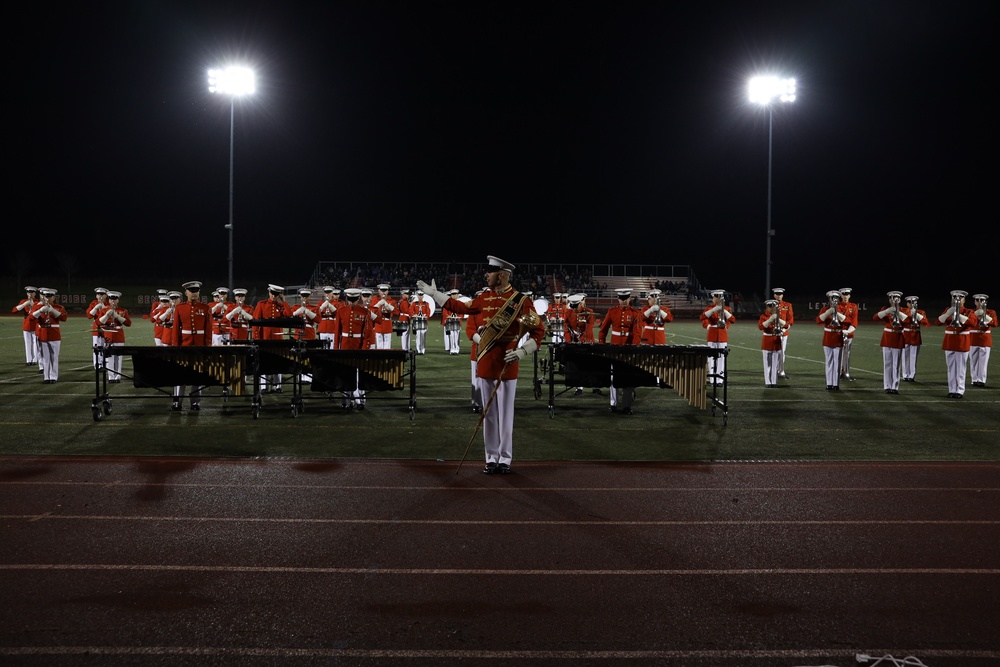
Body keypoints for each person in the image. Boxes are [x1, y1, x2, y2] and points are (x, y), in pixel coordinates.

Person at [417, 255, 545, 474]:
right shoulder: (483, 299)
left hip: (507, 363)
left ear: (502, 275)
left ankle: (505, 458)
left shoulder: (520, 301)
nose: (486, 275)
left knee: (506, 415)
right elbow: (460, 307)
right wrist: (436, 295)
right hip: (486, 361)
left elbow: (539, 330)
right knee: (489, 414)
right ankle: (491, 457)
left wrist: (523, 351)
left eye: (490, 271)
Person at [169, 281, 213, 410]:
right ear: (186, 292)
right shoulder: (180, 308)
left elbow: (208, 330)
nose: (194, 293)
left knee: (197, 375)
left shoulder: (206, 308)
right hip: (184, 346)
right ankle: (177, 401)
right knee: (180, 374)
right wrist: (176, 348)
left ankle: (195, 402)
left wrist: (207, 347)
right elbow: (176, 329)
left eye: (196, 291)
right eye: (191, 291)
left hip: (199, 347)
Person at [598, 288, 643, 413]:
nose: (623, 301)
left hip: (628, 350)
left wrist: (633, 348)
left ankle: (626, 406)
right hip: (614, 349)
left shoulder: (635, 313)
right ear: (618, 299)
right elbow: (603, 330)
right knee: (613, 378)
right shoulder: (612, 311)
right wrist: (602, 344)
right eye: (621, 299)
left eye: (626, 298)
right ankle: (613, 404)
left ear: (629, 298)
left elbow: (637, 333)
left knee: (628, 378)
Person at [335, 287, 378, 409]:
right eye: (350, 299)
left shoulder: (365, 312)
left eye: (354, 300)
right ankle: (346, 401)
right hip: (345, 345)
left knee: (359, 374)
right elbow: (337, 332)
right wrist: (336, 349)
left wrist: (364, 350)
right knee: (346, 373)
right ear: (347, 298)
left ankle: (361, 401)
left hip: (358, 346)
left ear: (358, 298)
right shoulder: (341, 310)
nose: (352, 302)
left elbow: (368, 334)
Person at [253, 284, 295, 392]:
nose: (274, 296)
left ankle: (278, 385)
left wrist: (284, 301)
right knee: (264, 362)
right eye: (273, 294)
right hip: (265, 339)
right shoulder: (261, 304)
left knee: (277, 362)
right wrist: (256, 338)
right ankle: (264, 386)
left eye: (276, 295)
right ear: (269, 293)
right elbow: (255, 323)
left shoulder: (280, 306)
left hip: (277, 339)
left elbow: (289, 314)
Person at [937, 290, 978, 398]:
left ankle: (959, 390)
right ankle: (952, 389)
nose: (957, 300)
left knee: (960, 368)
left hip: (961, 342)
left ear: (964, 300)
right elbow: (938, 322)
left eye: (960, 298)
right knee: (951, 367)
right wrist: (947, 313)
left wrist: (958, 315)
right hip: (949, 341)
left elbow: (973, 323)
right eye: (955, 298)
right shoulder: (948, 309)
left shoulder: (969, 311)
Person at [873, 291, 907, 394]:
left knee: (896, 364)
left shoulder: (904, 310)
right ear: (889, 300)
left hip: (898, 337)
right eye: (892, 298)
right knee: (887, 363)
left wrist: (898, 312)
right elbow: (875, 317)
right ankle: (887, 386)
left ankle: (895, 386)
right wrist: (887, 311)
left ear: (900, 300)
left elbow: (908, 321)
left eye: (896, 298)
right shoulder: (885, 309)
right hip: (887, 337)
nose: (894, 300)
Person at [31, 288, 67, 384]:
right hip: (43, 334)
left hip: (54, 334)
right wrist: (40, 310)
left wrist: (52, 310)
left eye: (50, 296)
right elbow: (31, 318)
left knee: (54, 356)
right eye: (46, 296)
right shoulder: (37, 306)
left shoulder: (59, 307)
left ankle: (53, 376)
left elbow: (64, 317)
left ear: (54, 297)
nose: (47, 298)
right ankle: (46, 377)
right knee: (45, 357)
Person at [699, 289, 735, 386]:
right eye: (716, 297)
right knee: (711, 358)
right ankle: (712, 380)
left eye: (719, 297)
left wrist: (724, 312)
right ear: (713, 298)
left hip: (722, 335)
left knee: (722, 358)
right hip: (712, 334)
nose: (717, 299)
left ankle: (720, 380)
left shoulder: (727, 308)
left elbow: (732, 320)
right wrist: (714, 310)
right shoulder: (709, 308)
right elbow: (702, 317)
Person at [817, 290, 849, 390]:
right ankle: (829, 383)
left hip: (838, 336)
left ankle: (836, 384)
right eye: (832, 298)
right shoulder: (824, 309)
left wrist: (837, 312)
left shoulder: (842, 308)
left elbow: (847, 321)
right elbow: (819, 320)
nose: (834, 300)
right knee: (829, 361)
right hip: (828, 336)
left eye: (836, 298)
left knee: (837, 362)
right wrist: (828, 312)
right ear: (829, 299)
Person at [97, 291, 131, 382]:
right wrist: (107, 314)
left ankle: (118, 376)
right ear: (109, 300)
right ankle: (111, 377)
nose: (113, 301)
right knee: (109, 357)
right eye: (111, 299)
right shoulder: (104, 310)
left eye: (115, 299)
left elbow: (128, 323)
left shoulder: (123, 311)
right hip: (108, 335)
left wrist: (117, 316)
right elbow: (99, 323)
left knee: (119, 358)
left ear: (118, 301)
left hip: (118, 335)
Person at [901, 296, 930, 382]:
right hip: (906, 335)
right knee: (905, 356)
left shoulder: (921, 312)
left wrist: (916, 314)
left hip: (915, 336)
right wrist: (910, 314)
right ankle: (905, 374)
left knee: (913, 357)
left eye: (913, 303)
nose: (911, 304)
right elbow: (902, 321)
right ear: (907, 303)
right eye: (910, 303)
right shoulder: (903, 311)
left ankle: (911, 375)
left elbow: (926, 323)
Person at [969, 294, 995, 387]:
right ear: (975, 302)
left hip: (985, 339)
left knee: (983, 362)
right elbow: (968, 321)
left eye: (982, 300)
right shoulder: (971, 312)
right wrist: (976, 314)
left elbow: (995, 323)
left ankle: (981, 380)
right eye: (977, 300)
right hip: (973, 339)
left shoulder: (991, 312)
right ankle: (974, 379)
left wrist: (985, 315)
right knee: (973, 361)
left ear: (985, 302)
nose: (979, 302)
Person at [758, 299, 785, 387]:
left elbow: (786, 325)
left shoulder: (779, 315)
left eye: (773, 307)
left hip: (776, 341)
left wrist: (778, 319)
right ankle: (768, 382)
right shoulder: (763, 316)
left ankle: (774, 382)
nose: (772, 309)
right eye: (770, 307)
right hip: (767, 340)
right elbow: (761, 327)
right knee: (767, 364)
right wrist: (770, 319)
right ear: (767, 307)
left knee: (775, 364)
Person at [12, 286, 40, 367]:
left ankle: (35, 359)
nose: (30, 294)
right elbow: (14, 310)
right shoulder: (24, 301)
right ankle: (28, 360)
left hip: (35, 324)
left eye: (32, 292)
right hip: (27, 324)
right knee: (27, 343)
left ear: (35, 293)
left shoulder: (37, 302)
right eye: (28, 292)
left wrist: (33, 305)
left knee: (36, 343)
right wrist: (24, 304)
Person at [772, 288, 794, 379]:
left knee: (782, 352)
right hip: (772, 332)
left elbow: (790, 319)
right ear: (774, 295)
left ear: (782, 295)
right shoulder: (770, 305)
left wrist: (784, 329)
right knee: (773, 352)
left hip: (783, 333)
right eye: (777, 294)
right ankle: (773, 371)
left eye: (780, 294)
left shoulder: (787, 305)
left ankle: (781, 371)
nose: (778, 296)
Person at [837, 288, 860, 381]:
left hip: (848, 333)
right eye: (843, 294)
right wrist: (847, 320)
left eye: (847, 294)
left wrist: (849, 331)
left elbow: (854, 321)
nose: (845, 296)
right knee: (838, 354)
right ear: (841, 296)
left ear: (849, 295)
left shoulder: (853, 306)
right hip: (838, 333)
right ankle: (838, 372)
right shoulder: (837, 306)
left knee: (847, 354)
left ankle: (846, 372)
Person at [86, 287, 110, 369]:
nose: (100, 296)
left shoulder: (108, 304)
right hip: (96, 327)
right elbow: (89, 316)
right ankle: (97, 364)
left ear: (105, 296)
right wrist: (95, 308)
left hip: (106, 327)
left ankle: (106, 363)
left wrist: (104, 308)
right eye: (98, 294)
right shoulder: (93, 303)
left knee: (106, 346)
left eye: (102, 294)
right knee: (96, 346)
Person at [371, 284, 396, 350]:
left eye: (385, 290)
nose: (383, 292)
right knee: (379, 345)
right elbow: (372, 310)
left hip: (387, 323)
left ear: (387, 292)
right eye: (382, 290)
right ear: (379, 291)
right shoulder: (375, 300)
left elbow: (396, 312)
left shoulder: (392, 301)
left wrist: (388, 306)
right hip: (378, 323)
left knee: (387, 345)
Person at [410, 290, 433, 355]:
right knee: (417, 336)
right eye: (419, 295)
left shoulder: (426, 304)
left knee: (423, 336)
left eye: (421, 295)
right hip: (417, 322)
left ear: (423, 296)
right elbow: (411, 311)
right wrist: (413, 315)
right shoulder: (414, 304)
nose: (420, 297)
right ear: (417, 296)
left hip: (424, 322)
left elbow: (428, 312)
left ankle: (422, 350)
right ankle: (418, 349)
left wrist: (426, 316)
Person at [442, 289, 462, 354]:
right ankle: (452, 349)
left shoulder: (460, 304)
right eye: (452, 295)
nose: (454, 296)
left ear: (457, 295)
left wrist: (458, 316)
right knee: (451, 336)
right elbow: (445, 312)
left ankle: (456, 349)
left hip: (457, 322)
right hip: (450, 322)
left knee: (456, 336)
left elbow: (462, 313)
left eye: (455, 295)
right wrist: (448, 316)